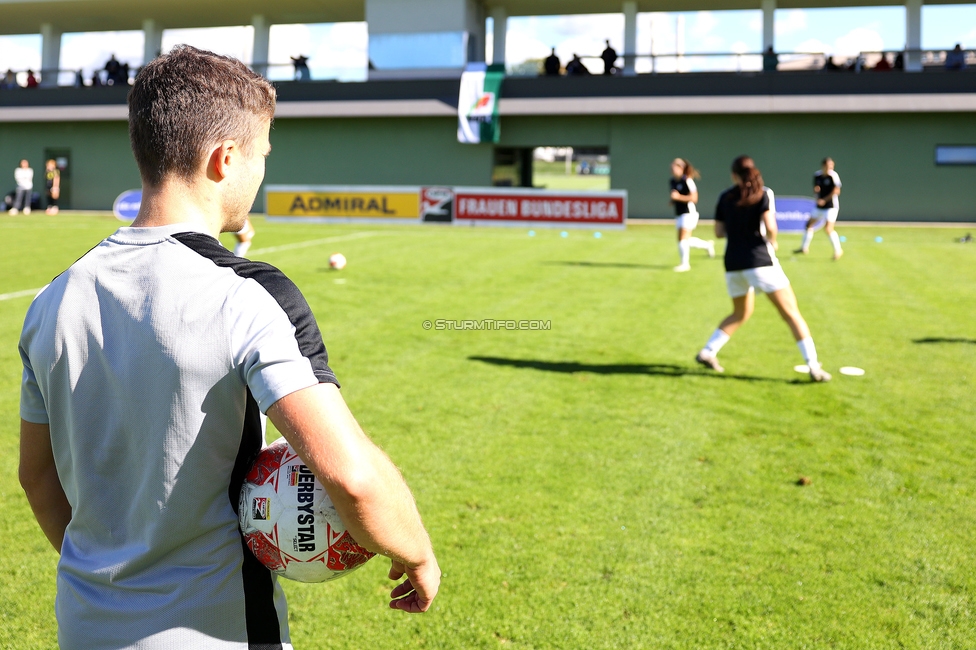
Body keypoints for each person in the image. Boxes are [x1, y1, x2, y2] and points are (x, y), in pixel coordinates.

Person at [18, 45, 440, 649]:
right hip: (218, 632)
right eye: (262, 156)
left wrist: (120, 586)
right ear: (224, 159)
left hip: (86, 629)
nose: (263, 171)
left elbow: (36, 477)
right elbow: (350, 478)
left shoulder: (53, 299)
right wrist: (418, 553)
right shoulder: (249, 293)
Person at [696, 155, 831, 382]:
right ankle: (814, 367)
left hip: (733, 263)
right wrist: (773, 240)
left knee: (740, 312)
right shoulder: (764, 193)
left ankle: (707, 352)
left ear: (733, 175)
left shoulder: (725, 196)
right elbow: (770, 227)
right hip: (760, 261)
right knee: (792, 314)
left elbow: (718, 233)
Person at [669, 157, 714, 272]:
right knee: (685, 240)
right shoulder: (673, 181)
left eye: (676, 166)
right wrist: (673, 200)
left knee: (682, 238)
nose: (673, 168)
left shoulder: (687, 180)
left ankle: (685, 264)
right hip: (679, 213)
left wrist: (679, 197)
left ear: (681, 168)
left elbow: (694, 198)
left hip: (689, 213)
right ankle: (707, 245)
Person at [795, 157, 843, 260]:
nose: (830, 168)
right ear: (823, 166)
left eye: (832, 166)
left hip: (831, 207)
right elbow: (816, 188)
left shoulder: (833, 176)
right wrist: (817, 196)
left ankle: (838, 251)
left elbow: (836, 191)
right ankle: (804, 248)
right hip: (819, 206)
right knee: (808, 225)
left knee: (828, 229)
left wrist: (824, 200)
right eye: (828, 166)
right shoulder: (817, 175)